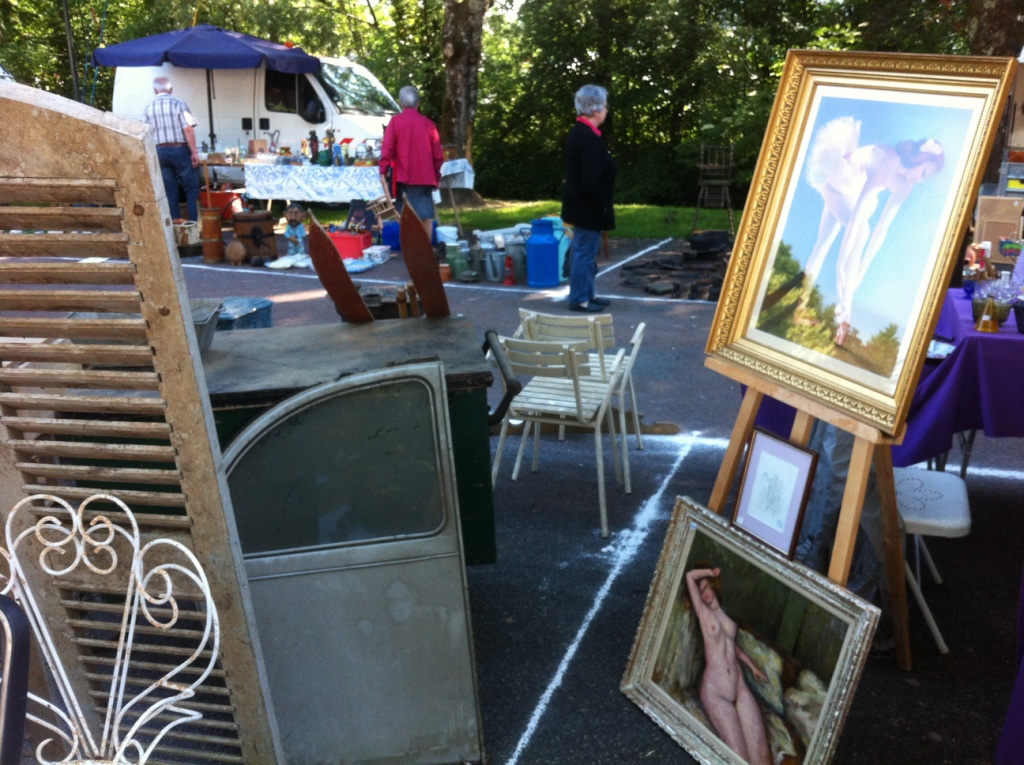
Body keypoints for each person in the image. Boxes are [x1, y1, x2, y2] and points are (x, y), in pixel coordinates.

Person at [800, 116, 945, 345]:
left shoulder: (905, 183)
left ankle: (801, 306)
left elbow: (883, 227)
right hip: (840, 183)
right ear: (919, 158)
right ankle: (842, 319)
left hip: (851, 193)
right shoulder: (885, 160)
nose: (920, 181)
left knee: (823, 244)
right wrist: (842, 267)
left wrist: (862, 267)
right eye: (924, 174)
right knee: (858, 235)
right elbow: (857, 218)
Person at [685, 564, 771, 765]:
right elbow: (689, 576)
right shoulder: (703, 614)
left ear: (714, 587)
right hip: (716, 692)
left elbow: (733, 648)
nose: (705, 594)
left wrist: (753, 667)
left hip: (739, 687)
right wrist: (709, 572)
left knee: (763, 757)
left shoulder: (725, 615)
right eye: (700, 591)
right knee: (740, 759)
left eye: (707, 587)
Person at [561, 84, 616, 314]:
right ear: (595, 110)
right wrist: (602, 206)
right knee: (584, 253)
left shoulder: (583, 134)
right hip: (587, 206)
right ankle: (580, 299)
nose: (606, 110)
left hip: (583, 204)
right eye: (604, 106)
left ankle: (588, 294)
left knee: (586, 253)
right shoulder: (587, 138)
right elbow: (591, 179)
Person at [379, 85, 444, 241]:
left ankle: (410, 251)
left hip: (404, 176)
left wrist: (383, 170)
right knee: (426, 215)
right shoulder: (429, 125)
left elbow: (387, 148)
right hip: (425, 177)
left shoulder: (395, 122)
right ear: (418, 103)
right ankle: (425, 250)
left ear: (401, 103)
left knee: (405, 215)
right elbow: (438, 156)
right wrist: (437, 176)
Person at [143, 76, 202, 222]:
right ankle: (193, 225)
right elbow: (188, 129)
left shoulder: (148, 107)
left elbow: (145, 133)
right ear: (171, 88)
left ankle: (176, 225)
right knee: (191, 189)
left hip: (160, 151)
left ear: (155, 89)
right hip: (179, 149)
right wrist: (194, 151)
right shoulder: (179, 104)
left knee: (170, 191)